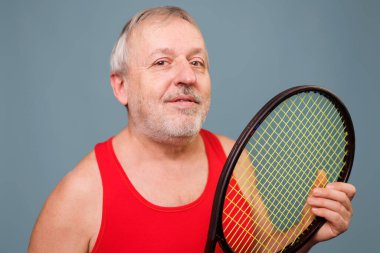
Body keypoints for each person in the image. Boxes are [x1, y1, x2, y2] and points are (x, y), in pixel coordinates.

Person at [28, 6, 356, 253]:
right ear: (121, 87)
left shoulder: (233, 157)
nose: (187, 76)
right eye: (162, 62)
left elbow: (262, 250)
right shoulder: (78, 197)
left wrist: (306, 235)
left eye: (197, 62)